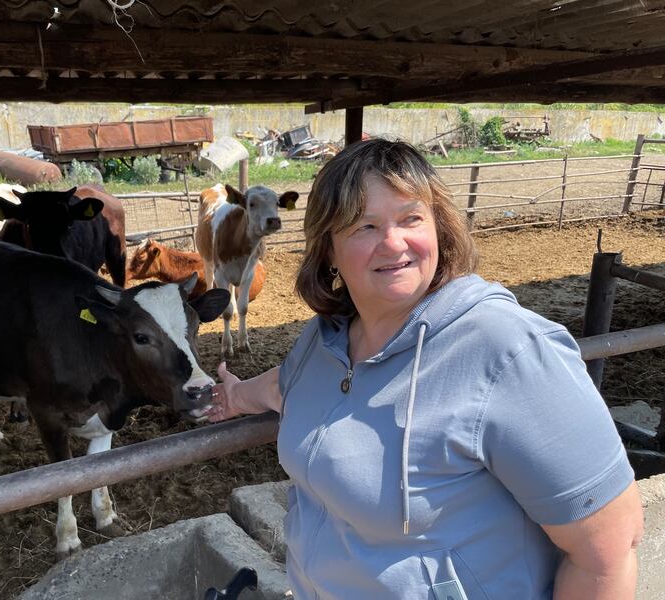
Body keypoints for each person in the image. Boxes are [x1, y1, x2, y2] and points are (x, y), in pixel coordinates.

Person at [205, 138, 644, 599]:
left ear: (440, 228)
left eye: (411, 218)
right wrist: (234, 396)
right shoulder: (323, 340)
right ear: (329, 250)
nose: (393, 243)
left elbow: (607, 552)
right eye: (364, 226)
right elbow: (291, 386)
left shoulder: (508, 352)